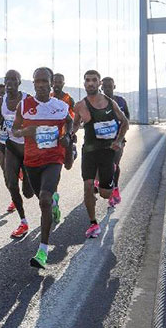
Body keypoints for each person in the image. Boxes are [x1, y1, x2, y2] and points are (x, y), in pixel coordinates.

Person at [12, 67, 73, 269]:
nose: (40, 85)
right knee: (38, 197)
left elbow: (69, 122)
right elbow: (15, 129)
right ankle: (53, 204)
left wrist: (66, 136)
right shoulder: (25, 105)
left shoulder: (60, 106)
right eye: (36, 81)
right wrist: (25, 131)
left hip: (53, 159)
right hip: (32, 162)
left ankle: (43, 251)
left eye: (44, 81)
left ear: (51, 82)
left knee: (44, 201)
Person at [72, 70, 129, 238]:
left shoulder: (110, 103)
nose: (90, 83)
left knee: (105, 194)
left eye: (94, 80)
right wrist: (70, 134)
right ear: (84, 84)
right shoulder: (80, 105)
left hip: (107, 152)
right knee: (88, 185)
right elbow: (75, 124)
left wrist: (118, 141)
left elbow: (125, 122)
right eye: (87, 80)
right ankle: (93, 224)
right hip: (89, 152)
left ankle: (109, 181)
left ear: (99, 84)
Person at [0, 69, 34, 238]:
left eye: (13, 79)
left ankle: (51, 200)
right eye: (7, 79)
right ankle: (23, 221)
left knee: (29, 192)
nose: (9, 82)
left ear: (19, 82)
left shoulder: (28, 100)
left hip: (29, 149)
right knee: (11, 183)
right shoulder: (1, 101)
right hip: (11, 147)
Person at [101, 77, 130, 207]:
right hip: (101, 140)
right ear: (101, 87)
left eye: (109, 86)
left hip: (118, 139)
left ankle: (115, 188)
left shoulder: (121, 101)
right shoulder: (97, 102)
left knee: (114, 164)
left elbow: (127, 118)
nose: (107, 88)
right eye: (105, 86)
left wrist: (120, 134)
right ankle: (102, 182)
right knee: (103, 164)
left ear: (114, 86)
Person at [51, 73, 77, 170]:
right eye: (55, 82)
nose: (57, 84)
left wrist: (71, 133)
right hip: (52, 134)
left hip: (65, 134)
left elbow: (74, 117)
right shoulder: (48, 97)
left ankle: (73, 151)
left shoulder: (69, 99)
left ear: (63, 84)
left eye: (59, 82)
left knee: (68, 165)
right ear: (51, 83)